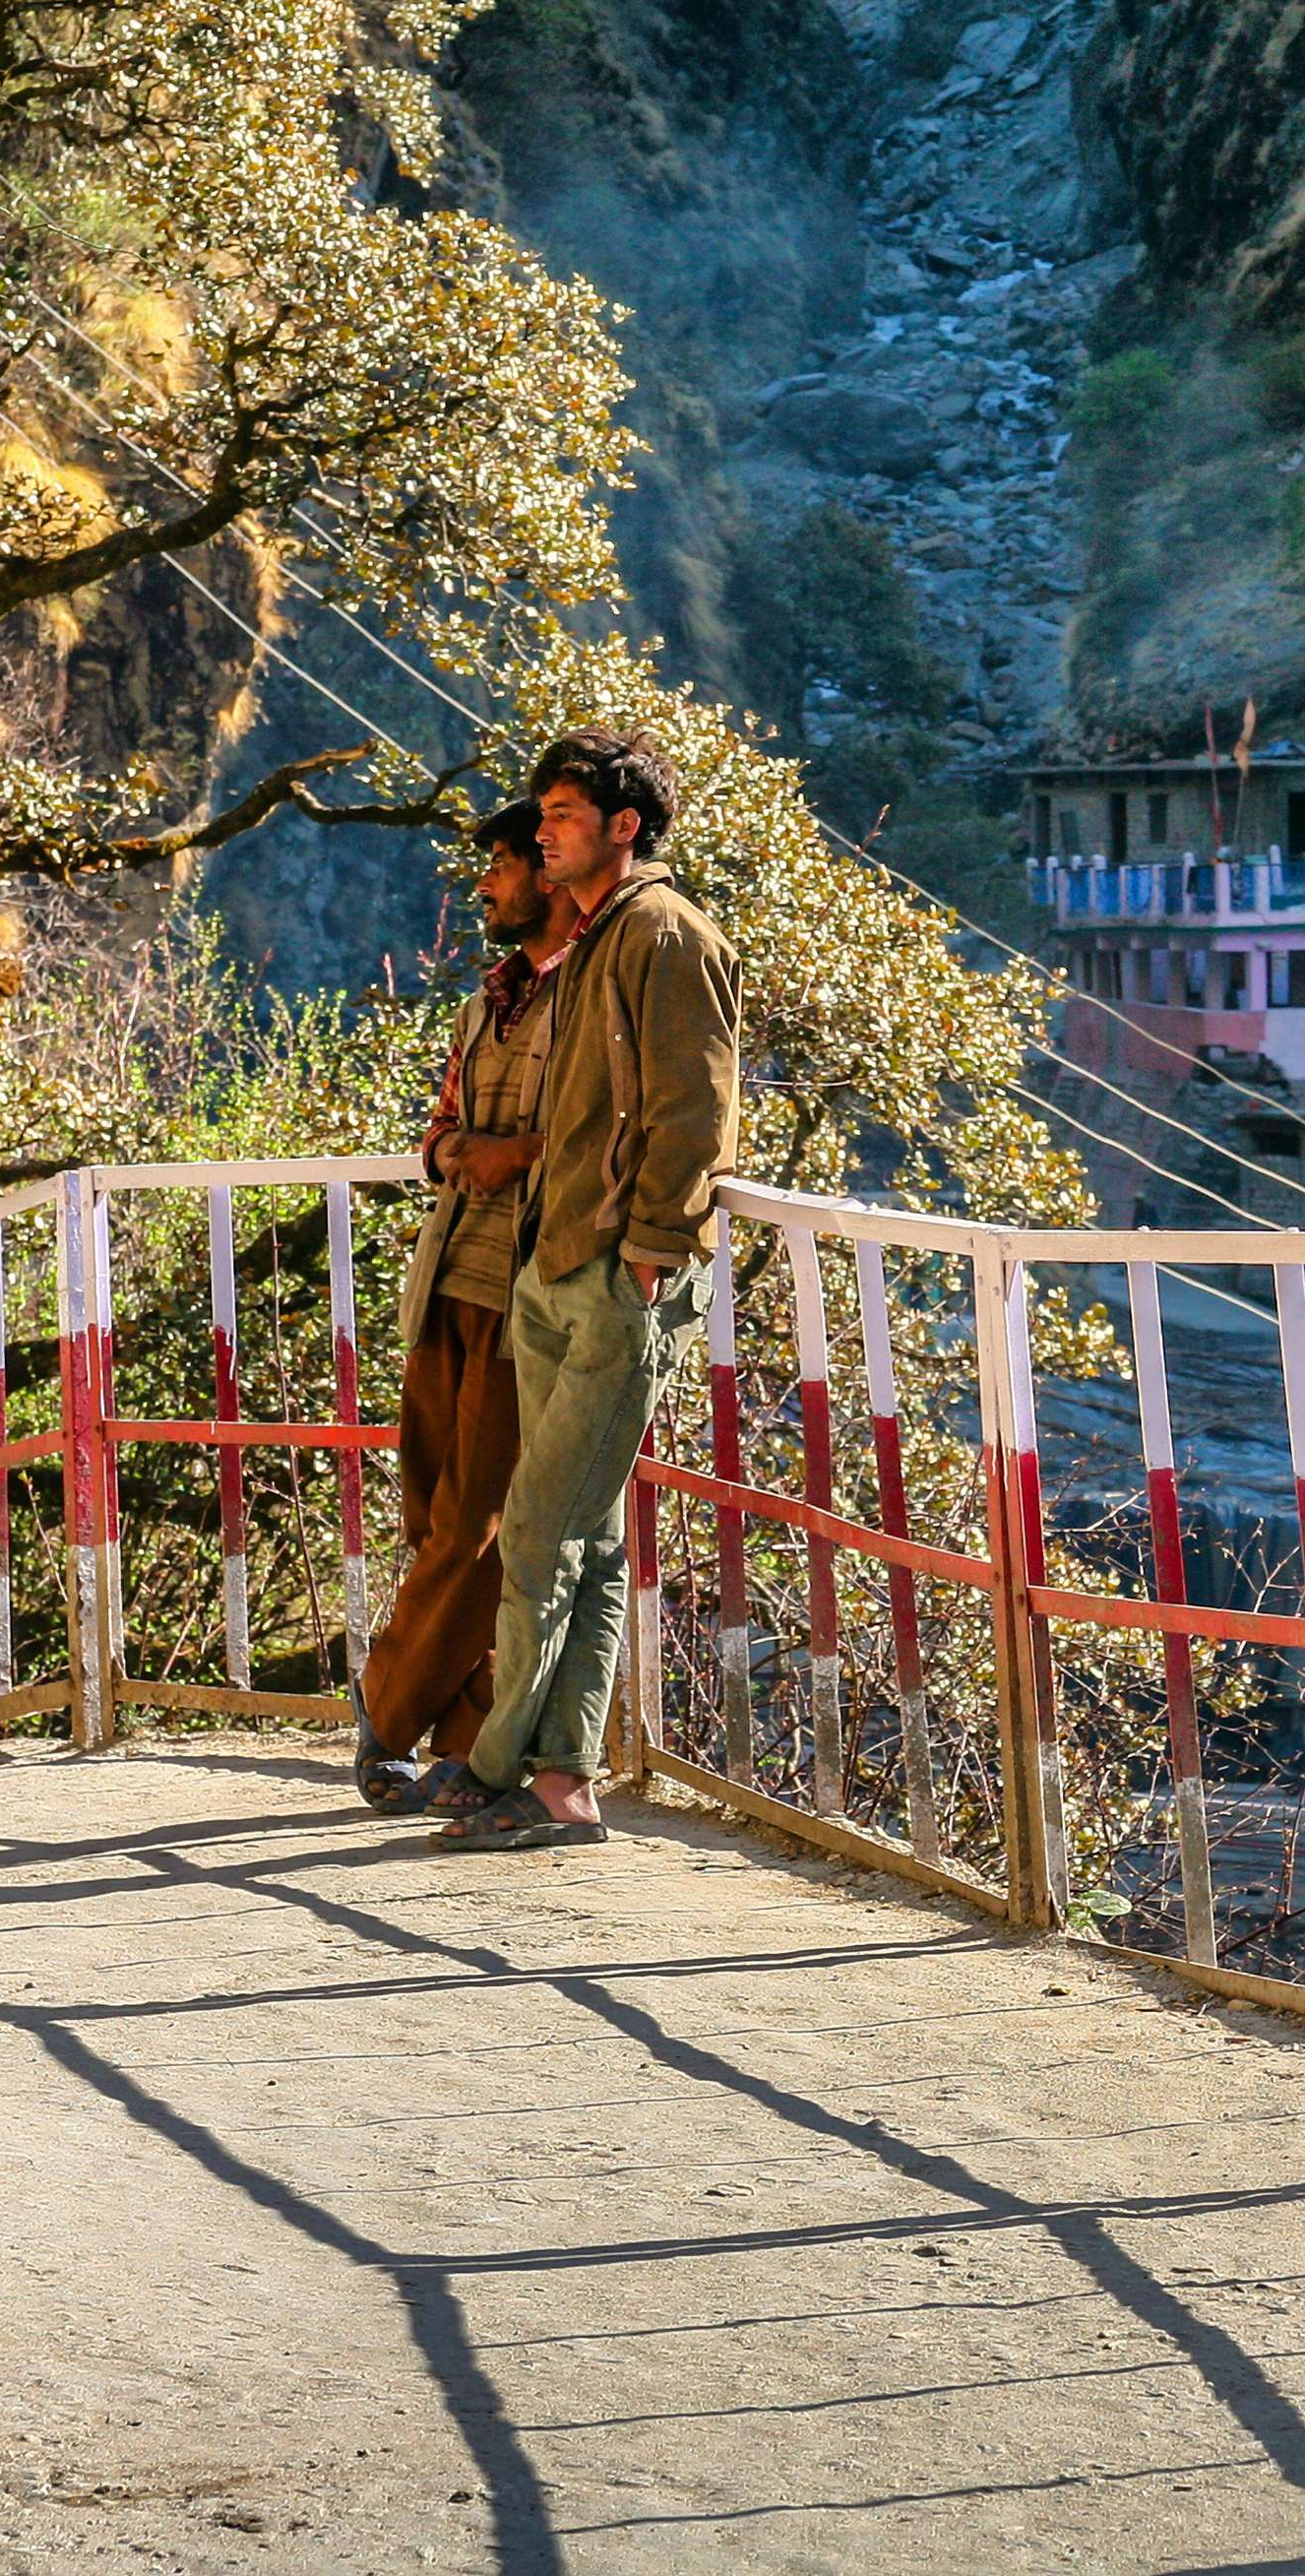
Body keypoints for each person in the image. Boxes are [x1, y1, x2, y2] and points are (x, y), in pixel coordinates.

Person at [439, 730, 737, 1853]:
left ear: (625, 825)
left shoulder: (668, 934)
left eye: (564, 811)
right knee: (590, 1539)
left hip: (619, 1276)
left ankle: (499, 1763)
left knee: (536, 1526)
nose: (544, 826)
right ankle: (563, 1782)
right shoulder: (591, 939)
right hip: (556, 1267)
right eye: (544, 810)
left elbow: (695, 1111)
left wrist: (655, 1250)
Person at [355, 798, 563, 1814]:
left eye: (502, 864)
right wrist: (465, 1153)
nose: (484, 884)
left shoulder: (591, 998)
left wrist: (513, 1154)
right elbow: (437, 1130)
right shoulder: (488, 1001)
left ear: (550, 873)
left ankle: (384, 1712)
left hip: (526, 1296)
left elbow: (588, 1138)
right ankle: (467, 1739)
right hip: (446, 1281)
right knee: (435, 1516)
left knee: (476, 1527)